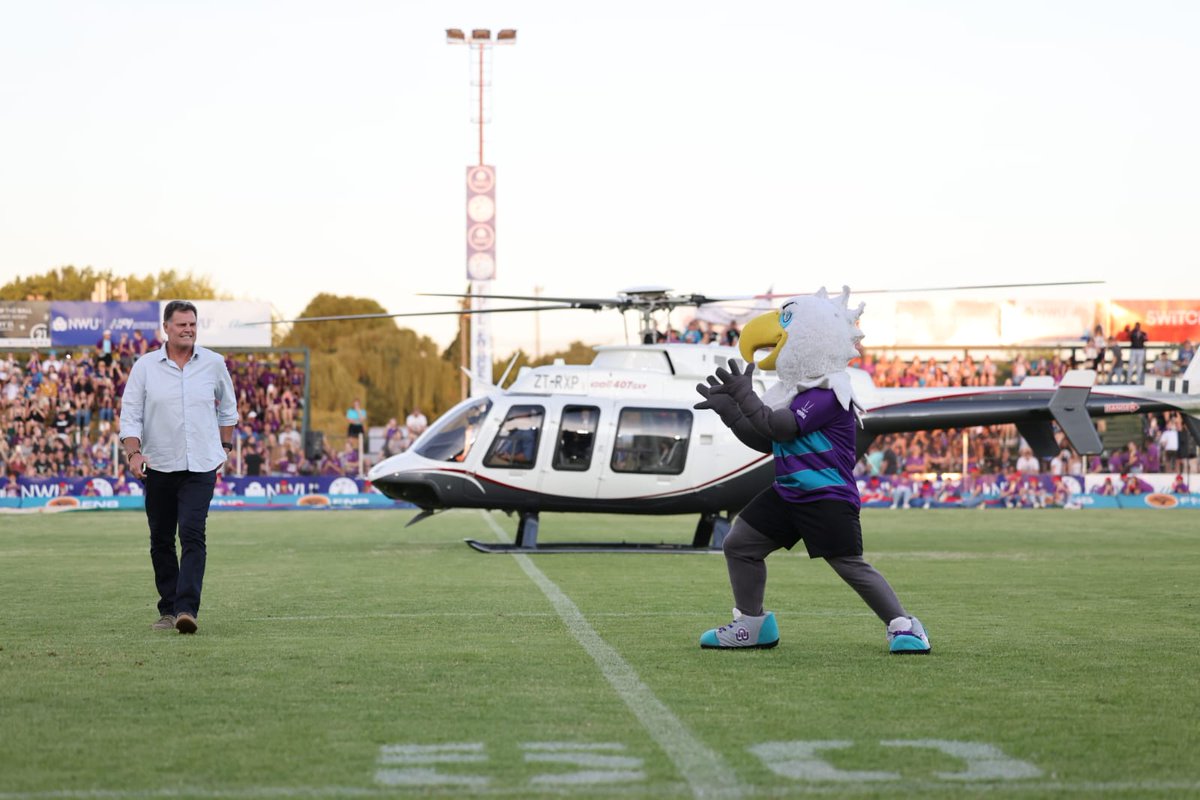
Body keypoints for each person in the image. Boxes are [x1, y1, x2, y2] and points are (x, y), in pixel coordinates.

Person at [693, 287, 930, 654]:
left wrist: (744, 397)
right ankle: (752, 625)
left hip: (825, 494)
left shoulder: (829, 393)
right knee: (740, 545)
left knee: (848, 564)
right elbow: (764, 440)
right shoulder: (794, 393)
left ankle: (905, 626)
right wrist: (731, 413)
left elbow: (780, 427)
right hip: (789, 491)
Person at [119, 300, 237, 635]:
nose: (188, 329)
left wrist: (224, 447)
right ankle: (168, 609)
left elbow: (229, 408)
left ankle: (187, 609)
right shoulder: (145, 367)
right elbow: (130, 415)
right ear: (166, 328)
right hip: (157, 465)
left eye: (192, 324)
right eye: (182, 324)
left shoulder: (214, 363)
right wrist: (134, 453)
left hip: (201, 465)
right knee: (160, 539)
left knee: (192, 533)